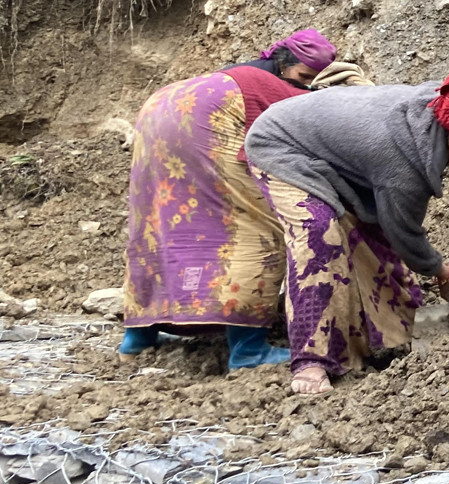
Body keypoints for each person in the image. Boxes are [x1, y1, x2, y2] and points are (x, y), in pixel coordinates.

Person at [244, 75, 449, 394]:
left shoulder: (448, 108)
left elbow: (388, 229)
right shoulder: (402, 162)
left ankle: (394, 334)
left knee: (372, 232)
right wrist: (442, 274)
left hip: (333, 150)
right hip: (281, 144)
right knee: (319, 233)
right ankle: (312, 360)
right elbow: (405, 235)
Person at [120, 29, 342, 371]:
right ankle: (248, 350)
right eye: (303, 77)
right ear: (283, 65)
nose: (306, 87)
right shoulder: (277, 89)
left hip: (160, 106)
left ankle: (138, 339)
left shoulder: (240, 71)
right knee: (254, 222)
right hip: (211, 112)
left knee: (159, 219)